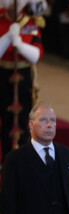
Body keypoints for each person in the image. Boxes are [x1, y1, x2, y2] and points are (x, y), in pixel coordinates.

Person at [0, 0, 45, 165]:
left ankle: (22, 161)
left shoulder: (30, 24)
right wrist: (7, 38)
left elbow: (37, 53)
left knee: (26, 119)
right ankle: (6, 159)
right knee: (5, 119)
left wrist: (19, 43)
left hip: (24, 76)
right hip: (3, 75)